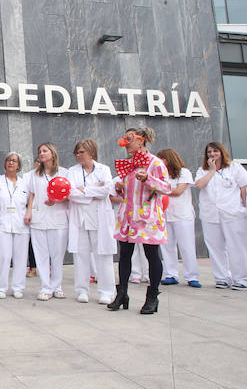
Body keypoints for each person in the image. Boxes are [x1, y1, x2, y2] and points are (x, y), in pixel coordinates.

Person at [107, 127, 171, 314]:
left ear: (141, 141)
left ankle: (152, 296)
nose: (126, 144)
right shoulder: (129, 165)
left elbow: (166, 188)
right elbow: (129, 192)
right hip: (128, 215)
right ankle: (122, 293)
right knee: (125, 255)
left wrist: (149, 179)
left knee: (152, 255)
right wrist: (120, 188)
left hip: (147, 216)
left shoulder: (156, 163)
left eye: (130, 140)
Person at [194, 141, 247, 291]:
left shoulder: (234, 167)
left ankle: (243, 279)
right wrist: (212, 170)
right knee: (215, 247)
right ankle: (221, 277)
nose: (212, 154)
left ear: (222, 152)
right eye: (209, 152)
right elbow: (199, 185)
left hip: (234, 213)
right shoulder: (203, 170)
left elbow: (245, 187)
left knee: (238, 246)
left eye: (215, 151)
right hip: (211, 214)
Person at [66, 139, 116, 305]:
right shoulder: (72, 171)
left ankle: (107, 291)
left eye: (82, 152)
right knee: (80, 255)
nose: (79, 155)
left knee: (103, 255)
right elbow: (71, 193)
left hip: (99, 217)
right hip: (80, 219)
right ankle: (82, 290)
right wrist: (93, 193)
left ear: (91, 152)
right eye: (77, 152)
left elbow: (107, 190)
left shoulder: (104, 169)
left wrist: (85, 190)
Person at [25, 143, 69, 301]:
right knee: (41, 255)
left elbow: (69, 193)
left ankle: (57, 286)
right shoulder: (34, 174)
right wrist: (29, 212)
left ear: (52, 153)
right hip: (38, 218)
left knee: (57, 255)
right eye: (39, 151)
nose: (42, 153)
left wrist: (57, 199)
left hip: (58, 219)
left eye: (45, 151)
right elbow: (31, 194)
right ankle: (45, 287)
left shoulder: (64, 172)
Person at [156, 148, 200, 288]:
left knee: (186, 246)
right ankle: (170, 274)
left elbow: (179, 191)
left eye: (161, 159)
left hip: (182, 215)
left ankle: (191, 276)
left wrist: (162, 188)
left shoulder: (184, 173)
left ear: (168, 159)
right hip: (165, 215)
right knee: (167, 247)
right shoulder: (160, 175)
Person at [0, 152, 30, 299]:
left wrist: (29, 213)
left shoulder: (24, 182)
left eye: (14, 161)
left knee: (20, 257)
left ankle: (18, 287)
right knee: (4, 257)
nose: (11, 163)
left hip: (21, 224)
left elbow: (30, 201)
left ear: (18, 165)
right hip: (2, 223)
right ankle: (0, 287)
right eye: (8, 160)